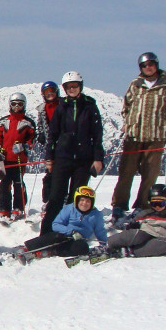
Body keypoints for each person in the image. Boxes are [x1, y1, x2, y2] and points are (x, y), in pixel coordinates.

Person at [111, 52, 166, 222]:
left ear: (156, 65)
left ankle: (143, 206)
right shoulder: (135, 84)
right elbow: (126, 105)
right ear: (140, 68)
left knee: (149, 174)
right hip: (134, 136)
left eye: (151, 64)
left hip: (156, 136)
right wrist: (127, 121)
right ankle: (119, 206)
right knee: (126, 172)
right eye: (144, 65)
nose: (148, 67)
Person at [40, 71, 104, 235]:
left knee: (76, 198)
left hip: (83, 159)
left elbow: (97, 135)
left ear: (80, 86)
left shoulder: (90, 106)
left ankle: (70, 232)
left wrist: (98, 158)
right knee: (55, 197)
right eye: (68, 87)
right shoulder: (62, 107)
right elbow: (53, 135)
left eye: (75, 86)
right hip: (63, 157)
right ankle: (46, 233)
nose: (72, 89)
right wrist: (49, 157)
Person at [106, 184, 166, 257]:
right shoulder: (145, 214)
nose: (157, 206)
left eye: (160, 203)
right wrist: (132, 225)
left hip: (162, 239)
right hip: (146, 233)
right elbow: (132, 224)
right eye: (154, 203)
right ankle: (107, 244)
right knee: (136, 234)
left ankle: (128, 251)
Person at [21, 186, 107, 259]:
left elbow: (100, 231)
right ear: (77, 200)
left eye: (88, 201)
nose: (84, 203)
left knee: (83, 248)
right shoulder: (69, 209)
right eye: (82, 200)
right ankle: (27, 248)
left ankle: (52, 252)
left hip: (78, 240)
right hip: (64, 235)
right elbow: (56, 225)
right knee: (55, 236)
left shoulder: (96, 215)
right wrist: (71, 231)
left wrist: (104, 244)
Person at [0, 93, 35, 220]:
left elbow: (32, 140)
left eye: (20, 104)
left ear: (24, 105)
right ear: (10, 105)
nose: (16, 106)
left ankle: (19, 207)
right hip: (5, 158)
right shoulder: (3, 121)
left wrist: (24, 145)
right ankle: (3, 208)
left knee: (18, 183)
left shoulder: (28, 122)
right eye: (14, 104)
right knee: (4, 184)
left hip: (19, 158)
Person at [34, 80, 62, 212]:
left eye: (52, 91)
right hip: (50, 145)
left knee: (62, 173)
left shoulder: (63, 105)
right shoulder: (42, 109)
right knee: (49, 174)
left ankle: (62, 199)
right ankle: (48, 200)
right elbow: (40, 123)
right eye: (46, 92)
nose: (50, 94)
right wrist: (41, 134)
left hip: (63, 143)